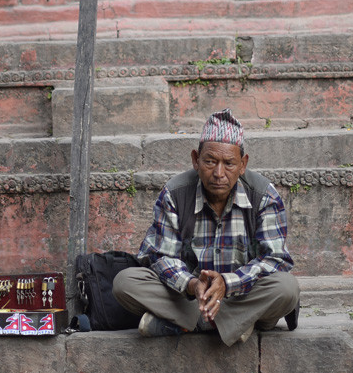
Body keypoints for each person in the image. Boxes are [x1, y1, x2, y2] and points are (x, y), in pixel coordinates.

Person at [113, 108, 299, 345]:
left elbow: (275, 260)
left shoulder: (264, 196)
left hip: (241, 295)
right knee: (125, 282)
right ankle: (233, 324)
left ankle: (185, 324)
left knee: (286, 288)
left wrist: (227, 283)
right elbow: (160, 255)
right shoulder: (175, 193)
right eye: (210, 161)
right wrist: (191, 285)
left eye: (229, 163)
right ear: (195, 160)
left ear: (243, 164)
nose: (219, 173)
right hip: (190, 297)